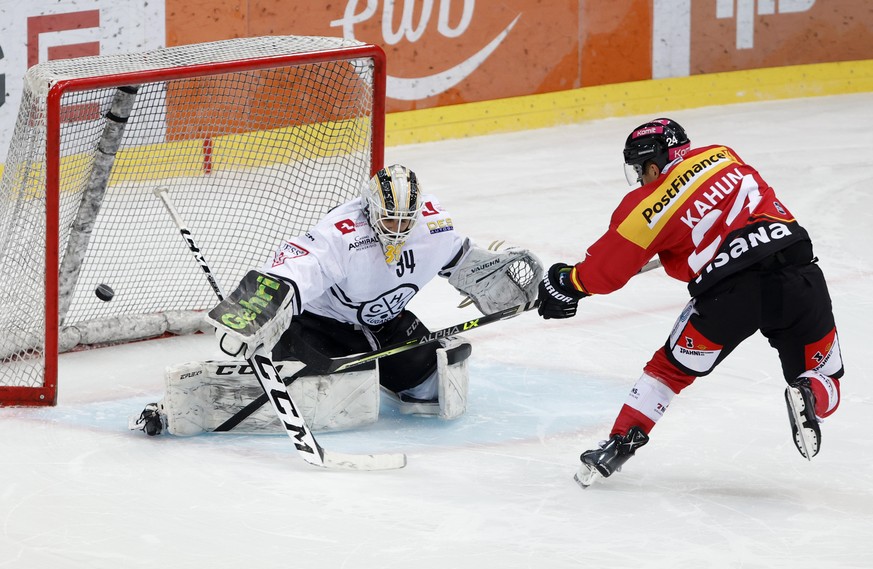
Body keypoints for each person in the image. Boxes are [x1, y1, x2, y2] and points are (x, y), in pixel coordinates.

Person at [537, 118, 843, 487]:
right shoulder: (723, 155)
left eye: (639, 170)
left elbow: (606, 273)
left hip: (729, 295)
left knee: (668, 371)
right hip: (799, 275)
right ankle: (809, 393)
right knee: (825, 374)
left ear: (652, 165)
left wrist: (567, 282)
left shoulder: (646, 204)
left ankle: (619, 443)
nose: (639, 178)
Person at [132, 164, 541, 436]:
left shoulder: (433, 227)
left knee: (434, 389)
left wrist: (498, 280)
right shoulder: (341, 233)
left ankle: (383, 370)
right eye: (389, 218)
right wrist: (255, 313)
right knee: (322, 402)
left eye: (405, 219)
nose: (397, 228)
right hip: (319, 324)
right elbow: (294, 271)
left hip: (387, 321)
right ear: (370, 208)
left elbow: (461, 260)